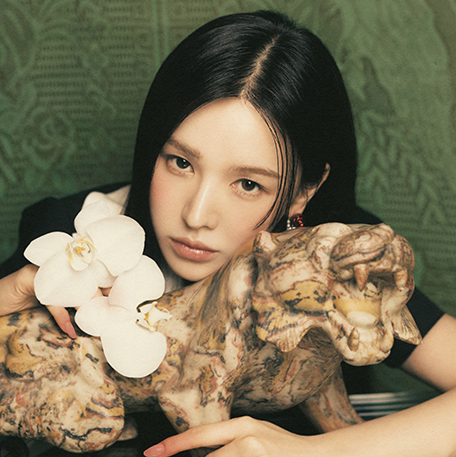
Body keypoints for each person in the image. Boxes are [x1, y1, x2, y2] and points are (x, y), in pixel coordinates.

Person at [1, 10, 455, 457]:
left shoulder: (332, 258)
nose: (197, 215)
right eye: (181, 162)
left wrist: (318, 453)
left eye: (249, 184)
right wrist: (9, 293)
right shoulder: (79, 234)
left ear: (304, 192)